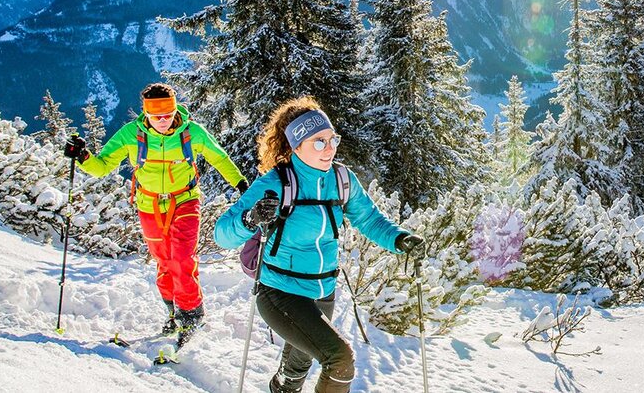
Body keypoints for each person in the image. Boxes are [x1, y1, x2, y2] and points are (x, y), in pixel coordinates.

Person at [215, 97, 423, 393]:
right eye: (318, 142)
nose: (330, 148)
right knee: (339, 360)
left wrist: (402, 239)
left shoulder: (341, 180)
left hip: (323, 291)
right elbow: (222, 234)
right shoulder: (275, 184)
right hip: (280, 292)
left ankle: (282, 388)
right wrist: (250, 218)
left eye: (331, 139)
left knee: (297, 367)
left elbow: (369, 219)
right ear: (296, 146)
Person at [63, 82, 247, 342]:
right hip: (148, 205)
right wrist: (82, 156)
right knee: (164, 261)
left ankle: (192, 314)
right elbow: (102, 166)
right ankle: (174, 314)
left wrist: (240, 184)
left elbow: (219, 158)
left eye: (168, 115)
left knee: (181, 257)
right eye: (156, 116)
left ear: (175, 111)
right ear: (145, 114)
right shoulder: (130, 135)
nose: (163, 121)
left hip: (184, 200)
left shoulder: (192, 133)